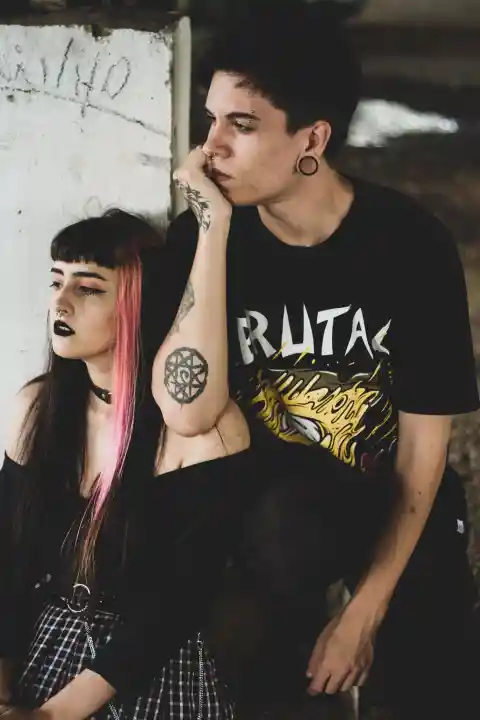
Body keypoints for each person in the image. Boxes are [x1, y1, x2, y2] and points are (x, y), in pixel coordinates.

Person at [152, 7, 480, 719]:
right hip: (272, 520)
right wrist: (213, 234)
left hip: (391, 496)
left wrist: (364, 613)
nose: (209, 149)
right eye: (210, 120)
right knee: (272, 600)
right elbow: (186, 410)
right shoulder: (201, 237)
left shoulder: (410, 247)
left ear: (312, 139)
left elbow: (424, 451)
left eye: (241, 125)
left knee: (432, 684)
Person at [0, 209, 258, 720]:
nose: (60, 302)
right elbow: (7, 559)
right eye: (56, 281)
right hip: (37, 647)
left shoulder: (206, 433)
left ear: (141, 304)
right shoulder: (36, 408)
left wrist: (55, 715)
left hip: (149, 667)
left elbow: (179, 602)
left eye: (88, 288)